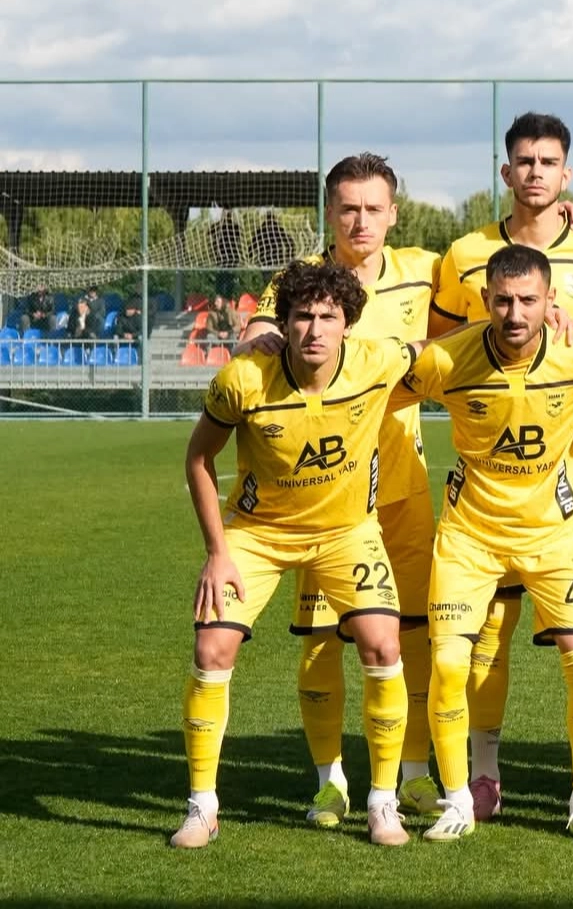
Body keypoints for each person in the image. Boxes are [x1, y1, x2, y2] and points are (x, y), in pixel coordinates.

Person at [170, 258, 421, 849]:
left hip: (346, 531)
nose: (315, 329)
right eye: (302, 316)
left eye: (328, 317)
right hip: (258, 533)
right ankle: (202, 807)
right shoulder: (243, 379)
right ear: (282, 323)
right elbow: (198, 459)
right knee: (212, 647)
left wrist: (541, 322)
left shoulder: (376, 362)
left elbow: (436, 349)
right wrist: (217, 553)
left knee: (383, 643)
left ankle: (383, 802)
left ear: (347, 324)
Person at [428, 112, 573, 820]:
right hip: (493, 468)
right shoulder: (465, 253)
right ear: (505, 171)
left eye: (548, 162)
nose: (536, 172)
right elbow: (442, 342)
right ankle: (483, 772)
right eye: (525, 161)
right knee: (489, 628)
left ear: (566, 174)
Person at [237, 153, 444, 827]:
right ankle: (330, 781)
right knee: (322, 638)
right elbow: (258, 330)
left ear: (394, 214)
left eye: (373, 208)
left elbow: (503, 291)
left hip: (403, 487)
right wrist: (261, 336)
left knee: (411, 634)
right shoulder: (298, 281)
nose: (361, 221)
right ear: (329, 212)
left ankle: (413, 773)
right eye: (348, 208)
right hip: (320, 498)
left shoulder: (428, 271)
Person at [390, 243, 573, 843]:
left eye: (528, 301)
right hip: (470, 536)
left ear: (551, 301)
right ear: (485, 299)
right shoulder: (448, 359)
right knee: (449, 664)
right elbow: (376, 395)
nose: (515, 313)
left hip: (553, 535)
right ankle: (458, 801)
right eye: (502, 301)